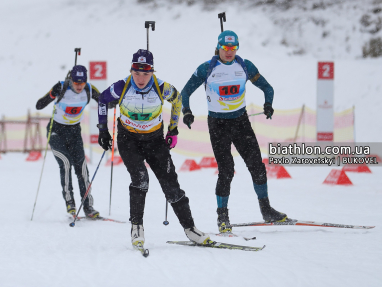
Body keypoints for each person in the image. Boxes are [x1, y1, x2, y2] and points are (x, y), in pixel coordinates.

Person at [96, 49, 211, 249]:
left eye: (146, 73)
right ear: (131, 70)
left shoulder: (161, 87)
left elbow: (177, 100)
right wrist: (102, 130)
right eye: (137, 73)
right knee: (141, 180)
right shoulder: (121, 87)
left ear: (152, 72)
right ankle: (137, 227)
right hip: (128, 139)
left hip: (155, 140)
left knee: (171, 186)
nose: (141, 78)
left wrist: (173, 130)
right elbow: (102, 100)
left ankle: (190, 229)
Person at [180, 30, 287, 233]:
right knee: (227, 170)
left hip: (241, 122)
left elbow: (268, 88)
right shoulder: (207, 68)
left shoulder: (245, 66)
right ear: (218, 47)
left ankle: (266, 210)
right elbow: (185, 92)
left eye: (233, 48)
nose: (229, 52)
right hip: (218, 125)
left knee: (256, 165)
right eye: (225, 48)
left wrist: (268, 104)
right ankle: (222, 217)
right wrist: (187, 111)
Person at [36, 65, 101, 219]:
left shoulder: (89, 89)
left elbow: (106, 102)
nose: (79, 86)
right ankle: (70, 202)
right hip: (56, 132)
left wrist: (114, 99)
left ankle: (88, 206)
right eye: (76, 82)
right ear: (71, 80)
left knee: (82, 168)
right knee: (66, 163)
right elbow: (39, 105)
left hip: (74, 133)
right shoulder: (62, 87)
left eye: (82, 82)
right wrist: (53, 94)